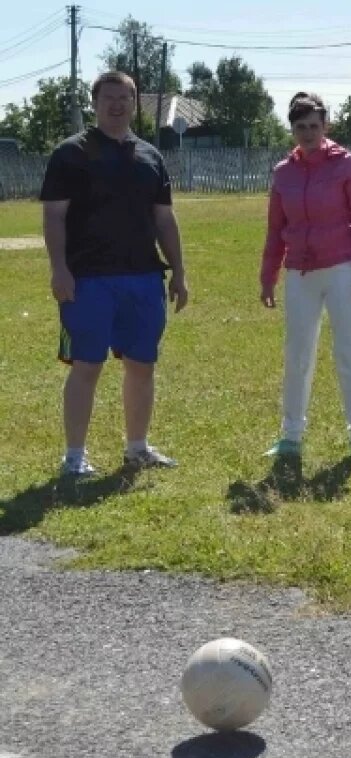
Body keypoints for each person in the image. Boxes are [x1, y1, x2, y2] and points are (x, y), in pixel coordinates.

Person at [40, 71, 189, 477]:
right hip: (87, 279)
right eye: (110, 97)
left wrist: (178, 271)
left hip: (143, 279)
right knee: (87, 365)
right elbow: (54, 216)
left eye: (126, 97)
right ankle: (74, 458)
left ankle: (137, 448)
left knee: (142, 364)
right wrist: (60, 270)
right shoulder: (70, 153)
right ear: (95, 102)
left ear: (135, 103)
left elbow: (164, 218)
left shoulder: (150, 157)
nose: (118, 104)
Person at [260, 92, 351, 460]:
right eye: (301, 126)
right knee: (297, 356)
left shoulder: (345, 165)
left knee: (349, 354)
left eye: (314, 126)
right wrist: (268, 276)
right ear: (291, 129)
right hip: (299, 273)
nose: (308, 133)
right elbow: (275, 228)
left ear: (325, 126)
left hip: (342, 270)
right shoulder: (283, 173)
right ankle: (291, 435)